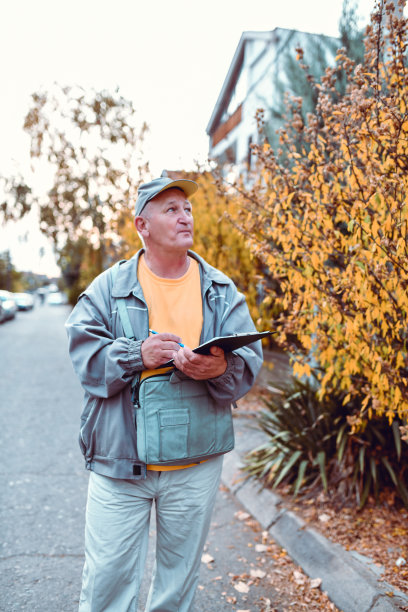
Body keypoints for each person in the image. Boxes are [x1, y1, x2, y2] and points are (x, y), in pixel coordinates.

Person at [65, 175, 263, 612]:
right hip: (120, 465)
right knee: (106, 584)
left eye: (187, 209)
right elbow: (85, 358)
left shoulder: (221, 290)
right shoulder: (108, 288)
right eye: (170, 209)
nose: (184, 216)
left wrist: (221, 367)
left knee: (176, 586)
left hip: (196, 464)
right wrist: (138, 354)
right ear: (143, 224)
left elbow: (248, 363)